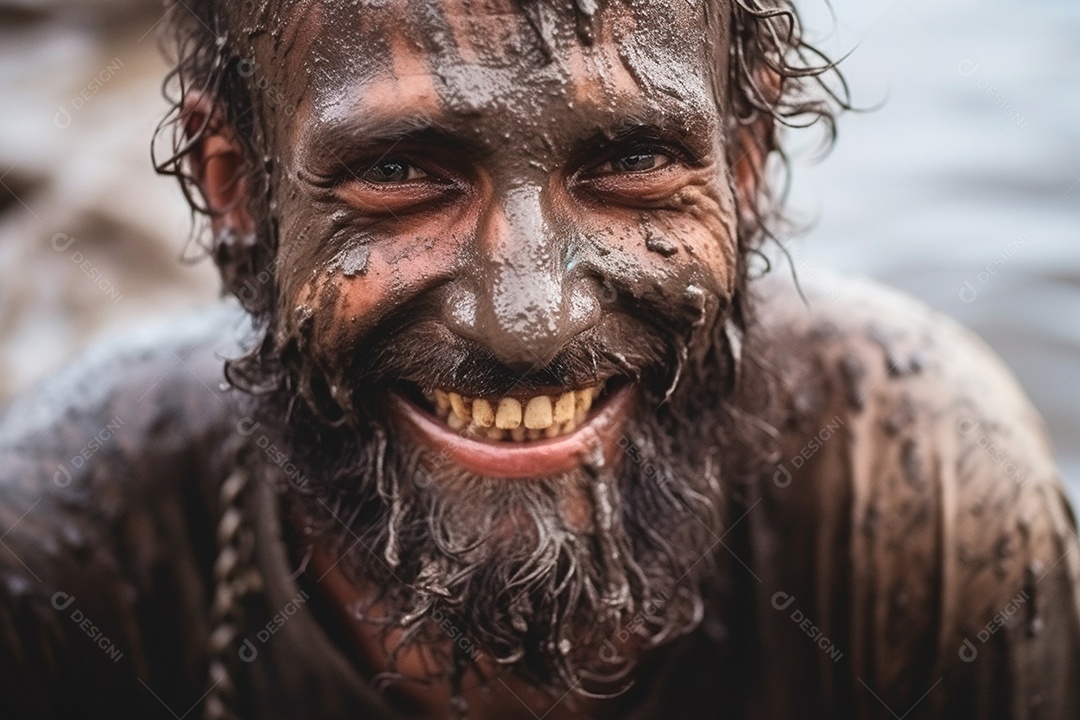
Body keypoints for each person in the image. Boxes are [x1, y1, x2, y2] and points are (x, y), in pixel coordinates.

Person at [1, 1, 1077, 718]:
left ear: (745, 168)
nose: (531, 324)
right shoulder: (70, 565)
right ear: (236, 188)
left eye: (633, 159)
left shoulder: (917, 505)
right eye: (399, 171)